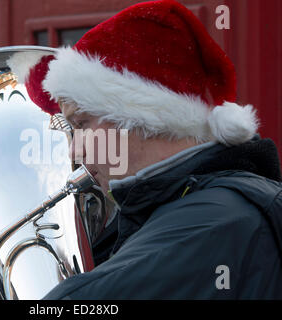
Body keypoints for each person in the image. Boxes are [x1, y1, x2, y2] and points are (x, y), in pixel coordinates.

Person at [19, 0, 282, 299]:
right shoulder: (181, 203)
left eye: (81, 123)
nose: (74, 152)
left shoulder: (214, 222)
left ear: (142, 118)